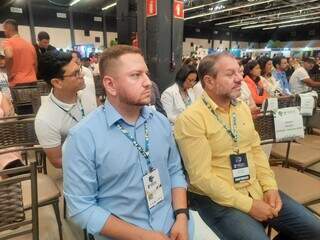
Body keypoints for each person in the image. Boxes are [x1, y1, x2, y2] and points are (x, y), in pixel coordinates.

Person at [174, 52, 320, 240]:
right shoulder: (191, 119)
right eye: (230, 74)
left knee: (314, 231)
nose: (239, 79)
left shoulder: (241, 108)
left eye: (239, 72)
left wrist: (270, 187)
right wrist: (250, 205)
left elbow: (255, 150)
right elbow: (201, 178)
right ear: (209, 81)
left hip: (255, 186)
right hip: (218, 199)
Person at [62, 45, 194, 240]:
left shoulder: (160, 123)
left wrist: (182, 216)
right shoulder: (83, 138)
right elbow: (82, 208)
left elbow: (174, 170)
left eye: (146, 74)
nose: (148, 82)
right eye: (136, 75)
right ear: (110, 85)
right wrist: (142, 236)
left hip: (174, 226)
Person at [35, 51, 96, 169]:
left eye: (80, 69)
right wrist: (93, 161)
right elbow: (57, 161)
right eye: (76, 73)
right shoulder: (45, 119)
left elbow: (97, 108)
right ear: (57, 82)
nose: (82, 75)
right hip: (80, 168)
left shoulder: (85, 85)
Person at [2, 19, 37, 87]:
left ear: (8, 28)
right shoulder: (29, 45)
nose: (4, 32)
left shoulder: (8, 42)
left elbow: (9, 56)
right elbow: (35, 64)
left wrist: (9, 74)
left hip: (17, 83)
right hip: (32, 82)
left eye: (4, 29)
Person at [0, 90, 24, 176]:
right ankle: (14, 169)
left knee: (7, 145)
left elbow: (10, 119)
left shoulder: (1, 96)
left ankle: (12, 170)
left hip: (5, 135)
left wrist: (10, 110)